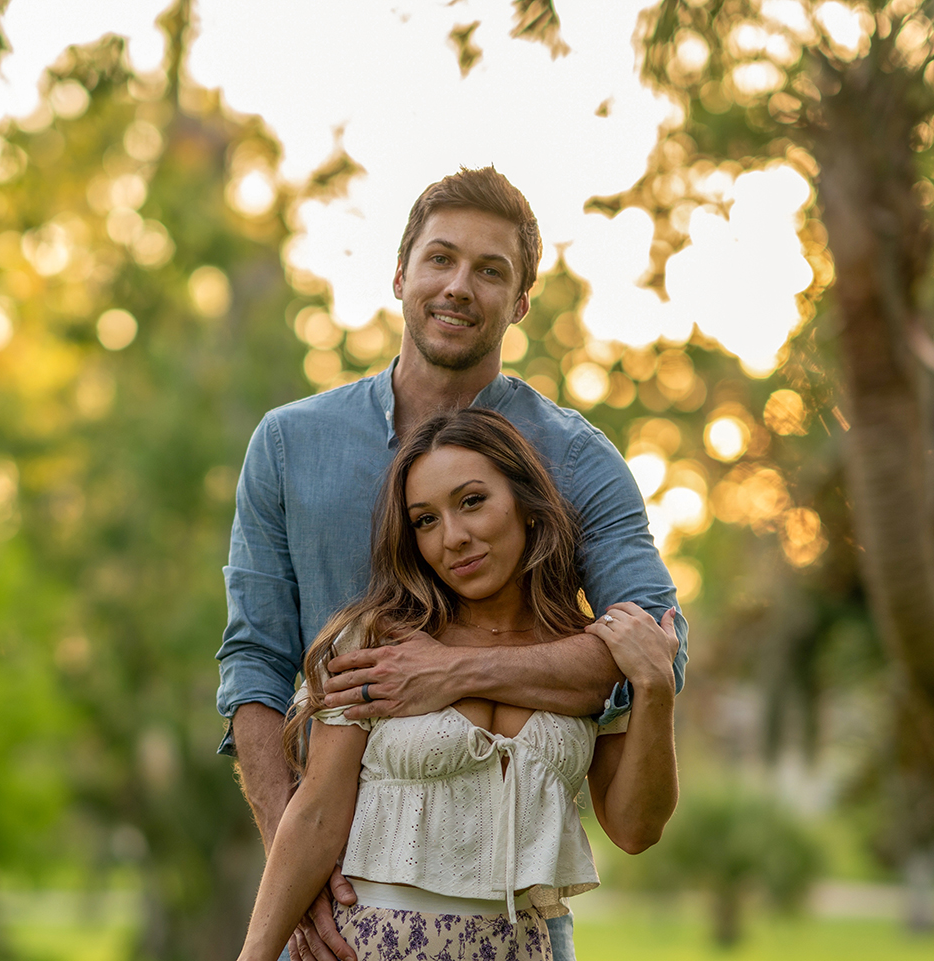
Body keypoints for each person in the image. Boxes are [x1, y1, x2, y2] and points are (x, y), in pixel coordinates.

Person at [217, 166, 688, 961]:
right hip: (349, 906)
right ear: (401, 274)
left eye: (490, 270)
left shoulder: (578, 461)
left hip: (525, 926)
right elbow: (256, 664)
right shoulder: (290, 444)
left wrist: (451, 670)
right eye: (440, 259)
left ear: (522, 301)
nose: (458, 286)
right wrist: (295, 875)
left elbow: (654, 649)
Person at [235, 408, 680, 961]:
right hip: (372, 946)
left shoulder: (585, 658)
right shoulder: (377, 642)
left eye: (472, 501)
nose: (454, 538)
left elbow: (636, 829)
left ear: (527, 505)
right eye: (425, 520)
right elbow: (318, 813)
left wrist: (655, 689)